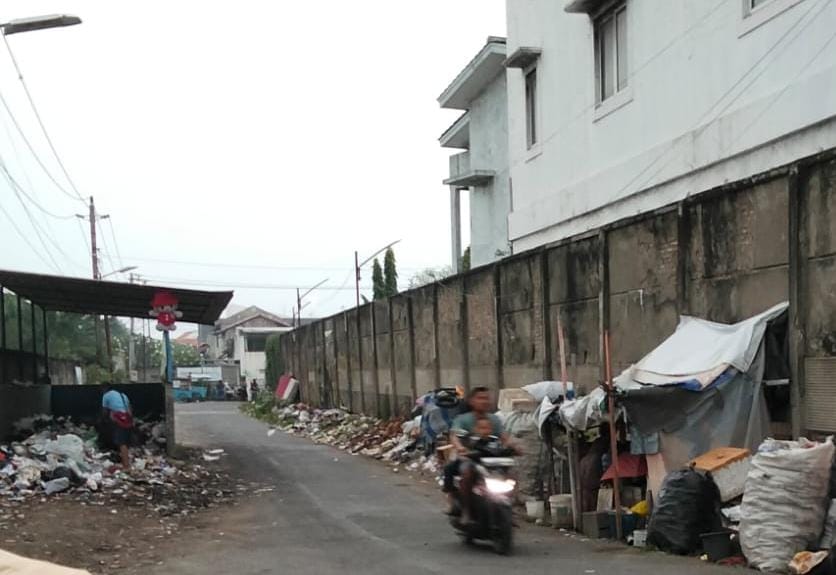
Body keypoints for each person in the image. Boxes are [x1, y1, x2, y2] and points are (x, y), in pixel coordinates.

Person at [443, 387, 515, 518]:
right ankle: (467, 511)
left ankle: (507, 508)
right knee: (467, 474)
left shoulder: (494, 420)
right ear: (471, 401)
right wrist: (460, 447)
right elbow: (454, 436)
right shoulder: (462, 419)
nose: (484, 401)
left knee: (510, 475)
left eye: (486, 398)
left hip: (490, 459)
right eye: (480, 398)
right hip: (469, 458)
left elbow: (505, 437)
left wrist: (513, 447)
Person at [101, 383, 133, 470]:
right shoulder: (123, 395)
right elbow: (130, 409)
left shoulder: (106, 395)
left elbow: (104, 411)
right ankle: (126, 461)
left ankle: (126, 465)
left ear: (105, 389)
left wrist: (103, 421)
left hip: (118, 420)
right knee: (125, 442)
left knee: (121, 442)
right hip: (127, 420)